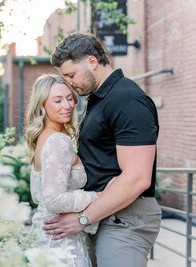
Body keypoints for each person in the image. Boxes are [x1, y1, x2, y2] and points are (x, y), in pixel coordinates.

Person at [44, 32, 161, 267]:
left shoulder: (127, 100)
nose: (70, 82)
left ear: (92, 62)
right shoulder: (99, 99)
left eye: (71, 74)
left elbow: (137, 179)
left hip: (125, 220)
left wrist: (83, 218)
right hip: (106, 215)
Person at [25, 74, 101, 267]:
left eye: (69, 98)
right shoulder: (58, 141)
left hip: (47, 236)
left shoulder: (43, 138)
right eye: (57, 100)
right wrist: (99, 197)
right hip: (61, 241)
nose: (67, 105)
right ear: (42, 105)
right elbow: (54, 200)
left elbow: (39, 196)